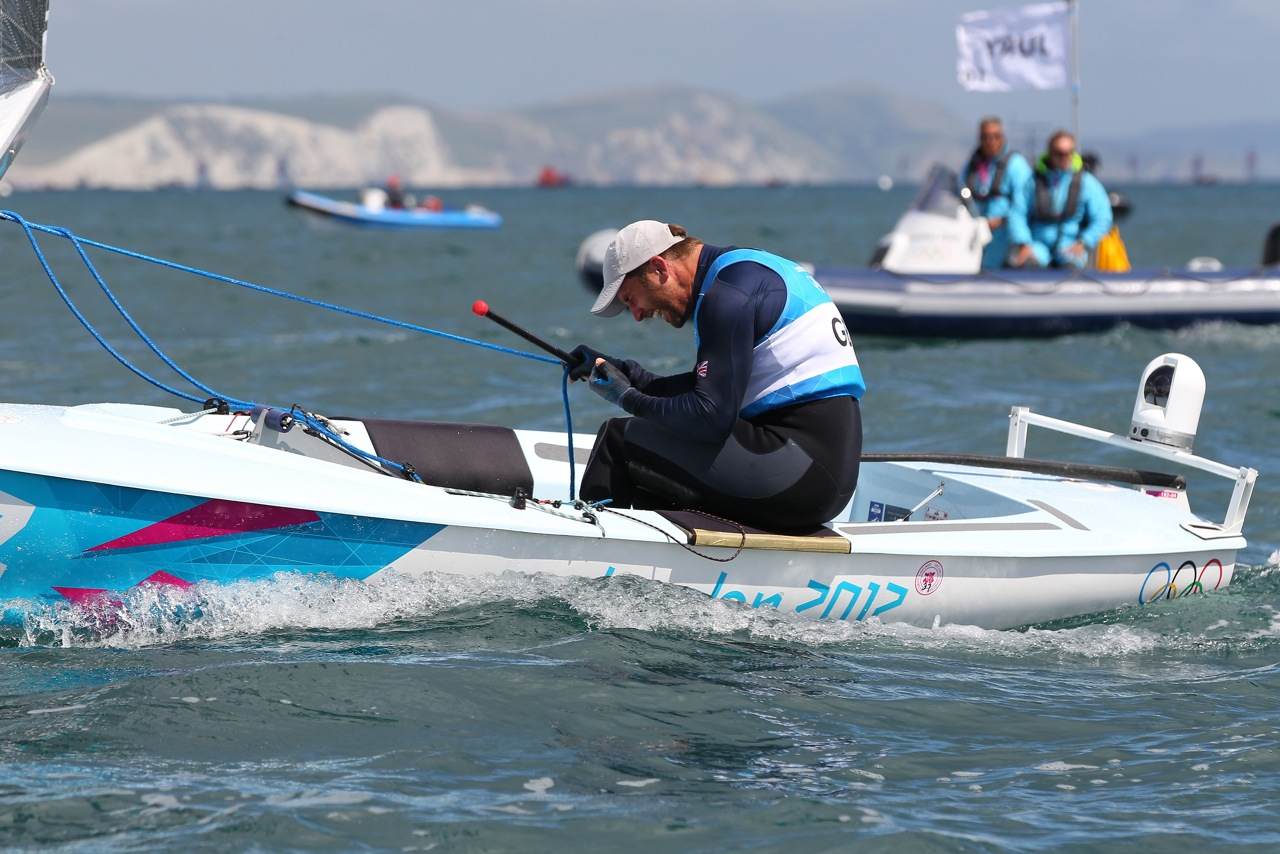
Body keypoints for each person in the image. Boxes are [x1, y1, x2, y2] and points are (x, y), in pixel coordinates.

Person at [569, 220, 866, 531]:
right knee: (653, 458)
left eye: (631, 299)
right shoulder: (743, 273)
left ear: (659, 268)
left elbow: (709, 415)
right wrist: (626, 373)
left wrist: (627, 397)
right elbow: (716, 389)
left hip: (799, 475)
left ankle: (587, 554)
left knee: (619, 440)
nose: (639, 315)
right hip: (820, 475)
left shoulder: (727, 297)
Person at [1007, 130, 1112, 269]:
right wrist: (1023, 242)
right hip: (1039, 246)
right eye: (1059, 153)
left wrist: (1085, 242)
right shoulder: (1032, 182)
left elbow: (1103, 217)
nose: (1063, 158)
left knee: (1071, 268)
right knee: (1024, 265)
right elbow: (1017, 213)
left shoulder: (1086, 183)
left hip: (1070, 245)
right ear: (1050, 153)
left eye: (1068, 153)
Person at [960, 116, 1032, 269]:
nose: (990, 141)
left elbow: (1023, 203)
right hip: (978, 235)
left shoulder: (1016, 165)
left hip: (1006, 236)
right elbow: (960, 191)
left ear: (1002, 137)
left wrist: (1021, 239)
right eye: (985, 137)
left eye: (995, 136)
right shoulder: (972, 165)